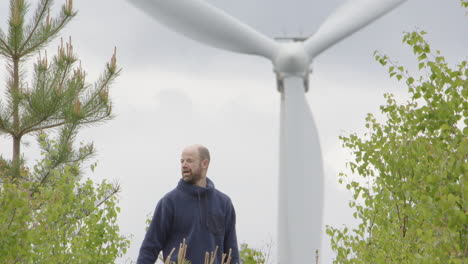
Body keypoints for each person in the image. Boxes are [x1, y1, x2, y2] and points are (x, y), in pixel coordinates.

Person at [137, 144, 239, 264]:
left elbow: (231, 253)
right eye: (182, 161)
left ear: (204, 164)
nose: (184, 165)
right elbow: (150, 248)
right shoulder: (169, 202)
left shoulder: (224, 204)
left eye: (189, 161)